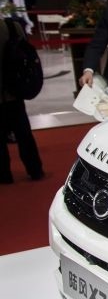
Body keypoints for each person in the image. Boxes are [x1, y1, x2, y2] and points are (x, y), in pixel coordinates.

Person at [0, 18, 44, 183]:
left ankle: (4, 175)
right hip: (14, 90)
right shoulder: (13, 26)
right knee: (24, 133)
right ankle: (35, 170)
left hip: (8, 92)